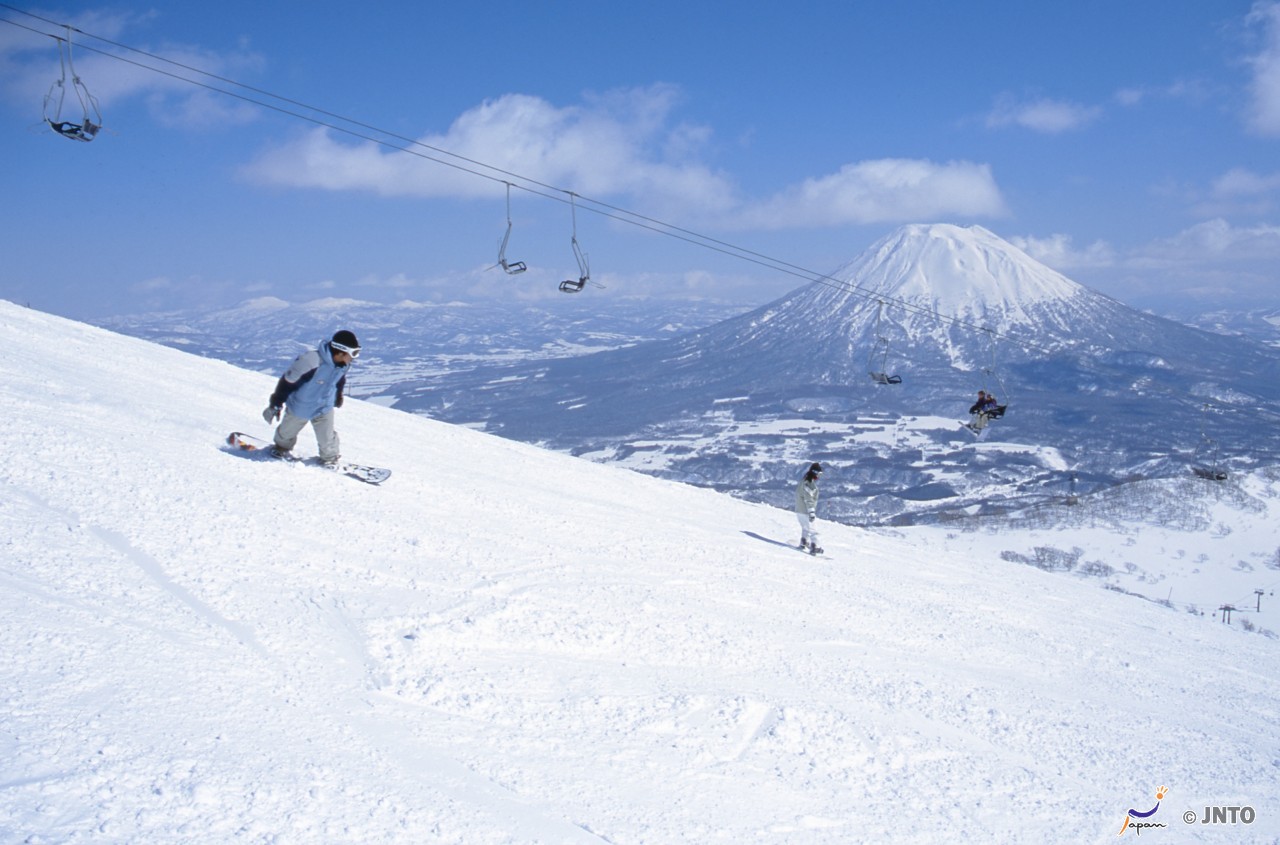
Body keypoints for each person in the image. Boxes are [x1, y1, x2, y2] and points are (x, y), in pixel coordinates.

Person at [262, 330, 361, 466]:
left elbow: (339, 380)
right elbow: (287, 382)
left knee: (327, 438)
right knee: (286, 434)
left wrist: (338, 396)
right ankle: (281, 448)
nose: (354, 357)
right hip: (302, 406)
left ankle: (330, 458)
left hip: (324, 406)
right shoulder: (311, 361)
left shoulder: (343, 365)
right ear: (340, 352)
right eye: (353, 353)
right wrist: (276, 403)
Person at [795, 462, 824, 555]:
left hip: (799, 510)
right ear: (815, 472)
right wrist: (811, 512)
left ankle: (804, 542)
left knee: (806, 528)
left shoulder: (803, 481)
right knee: (814, 530)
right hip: (806, 511)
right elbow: (808, 499)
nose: (819, 476)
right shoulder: (809, 484)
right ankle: (815, 546)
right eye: (819, 474)